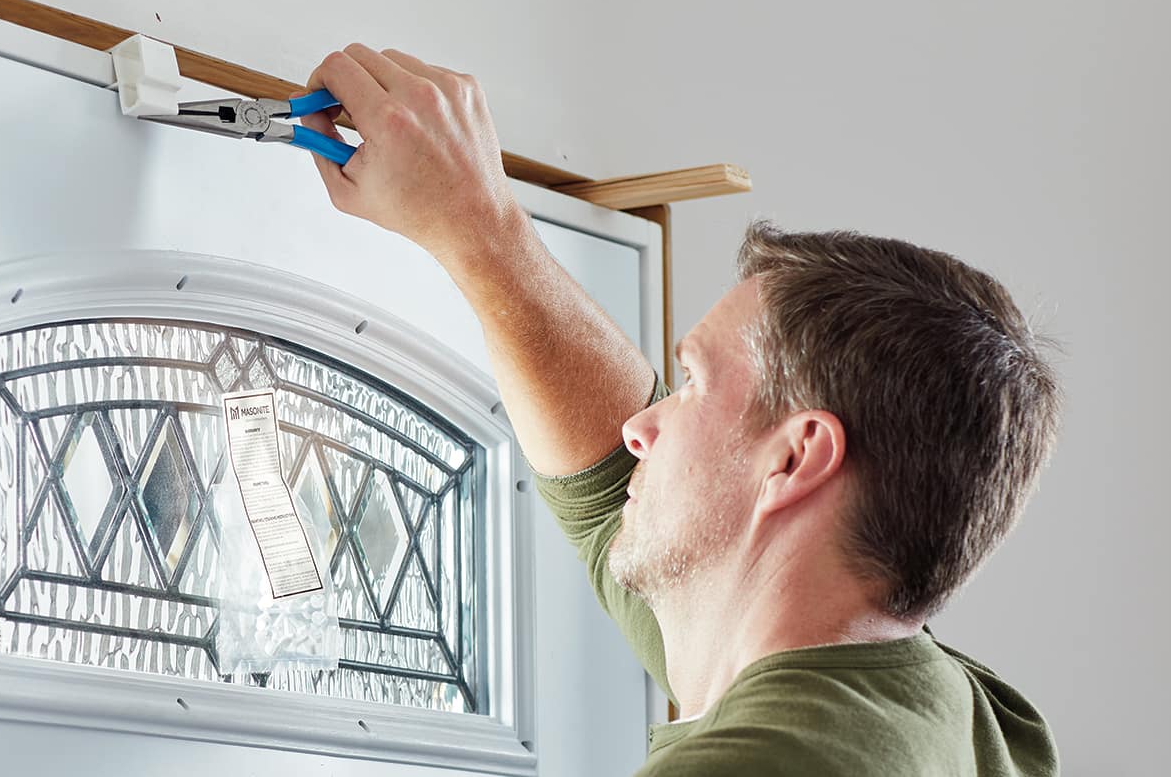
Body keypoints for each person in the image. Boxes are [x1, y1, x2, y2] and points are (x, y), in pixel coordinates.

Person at [300, 44, 1063, 776]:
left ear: (795, 458)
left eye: (694, 384)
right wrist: (477, 225)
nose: (643, 426)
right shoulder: (957, 713)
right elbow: (609, 487)